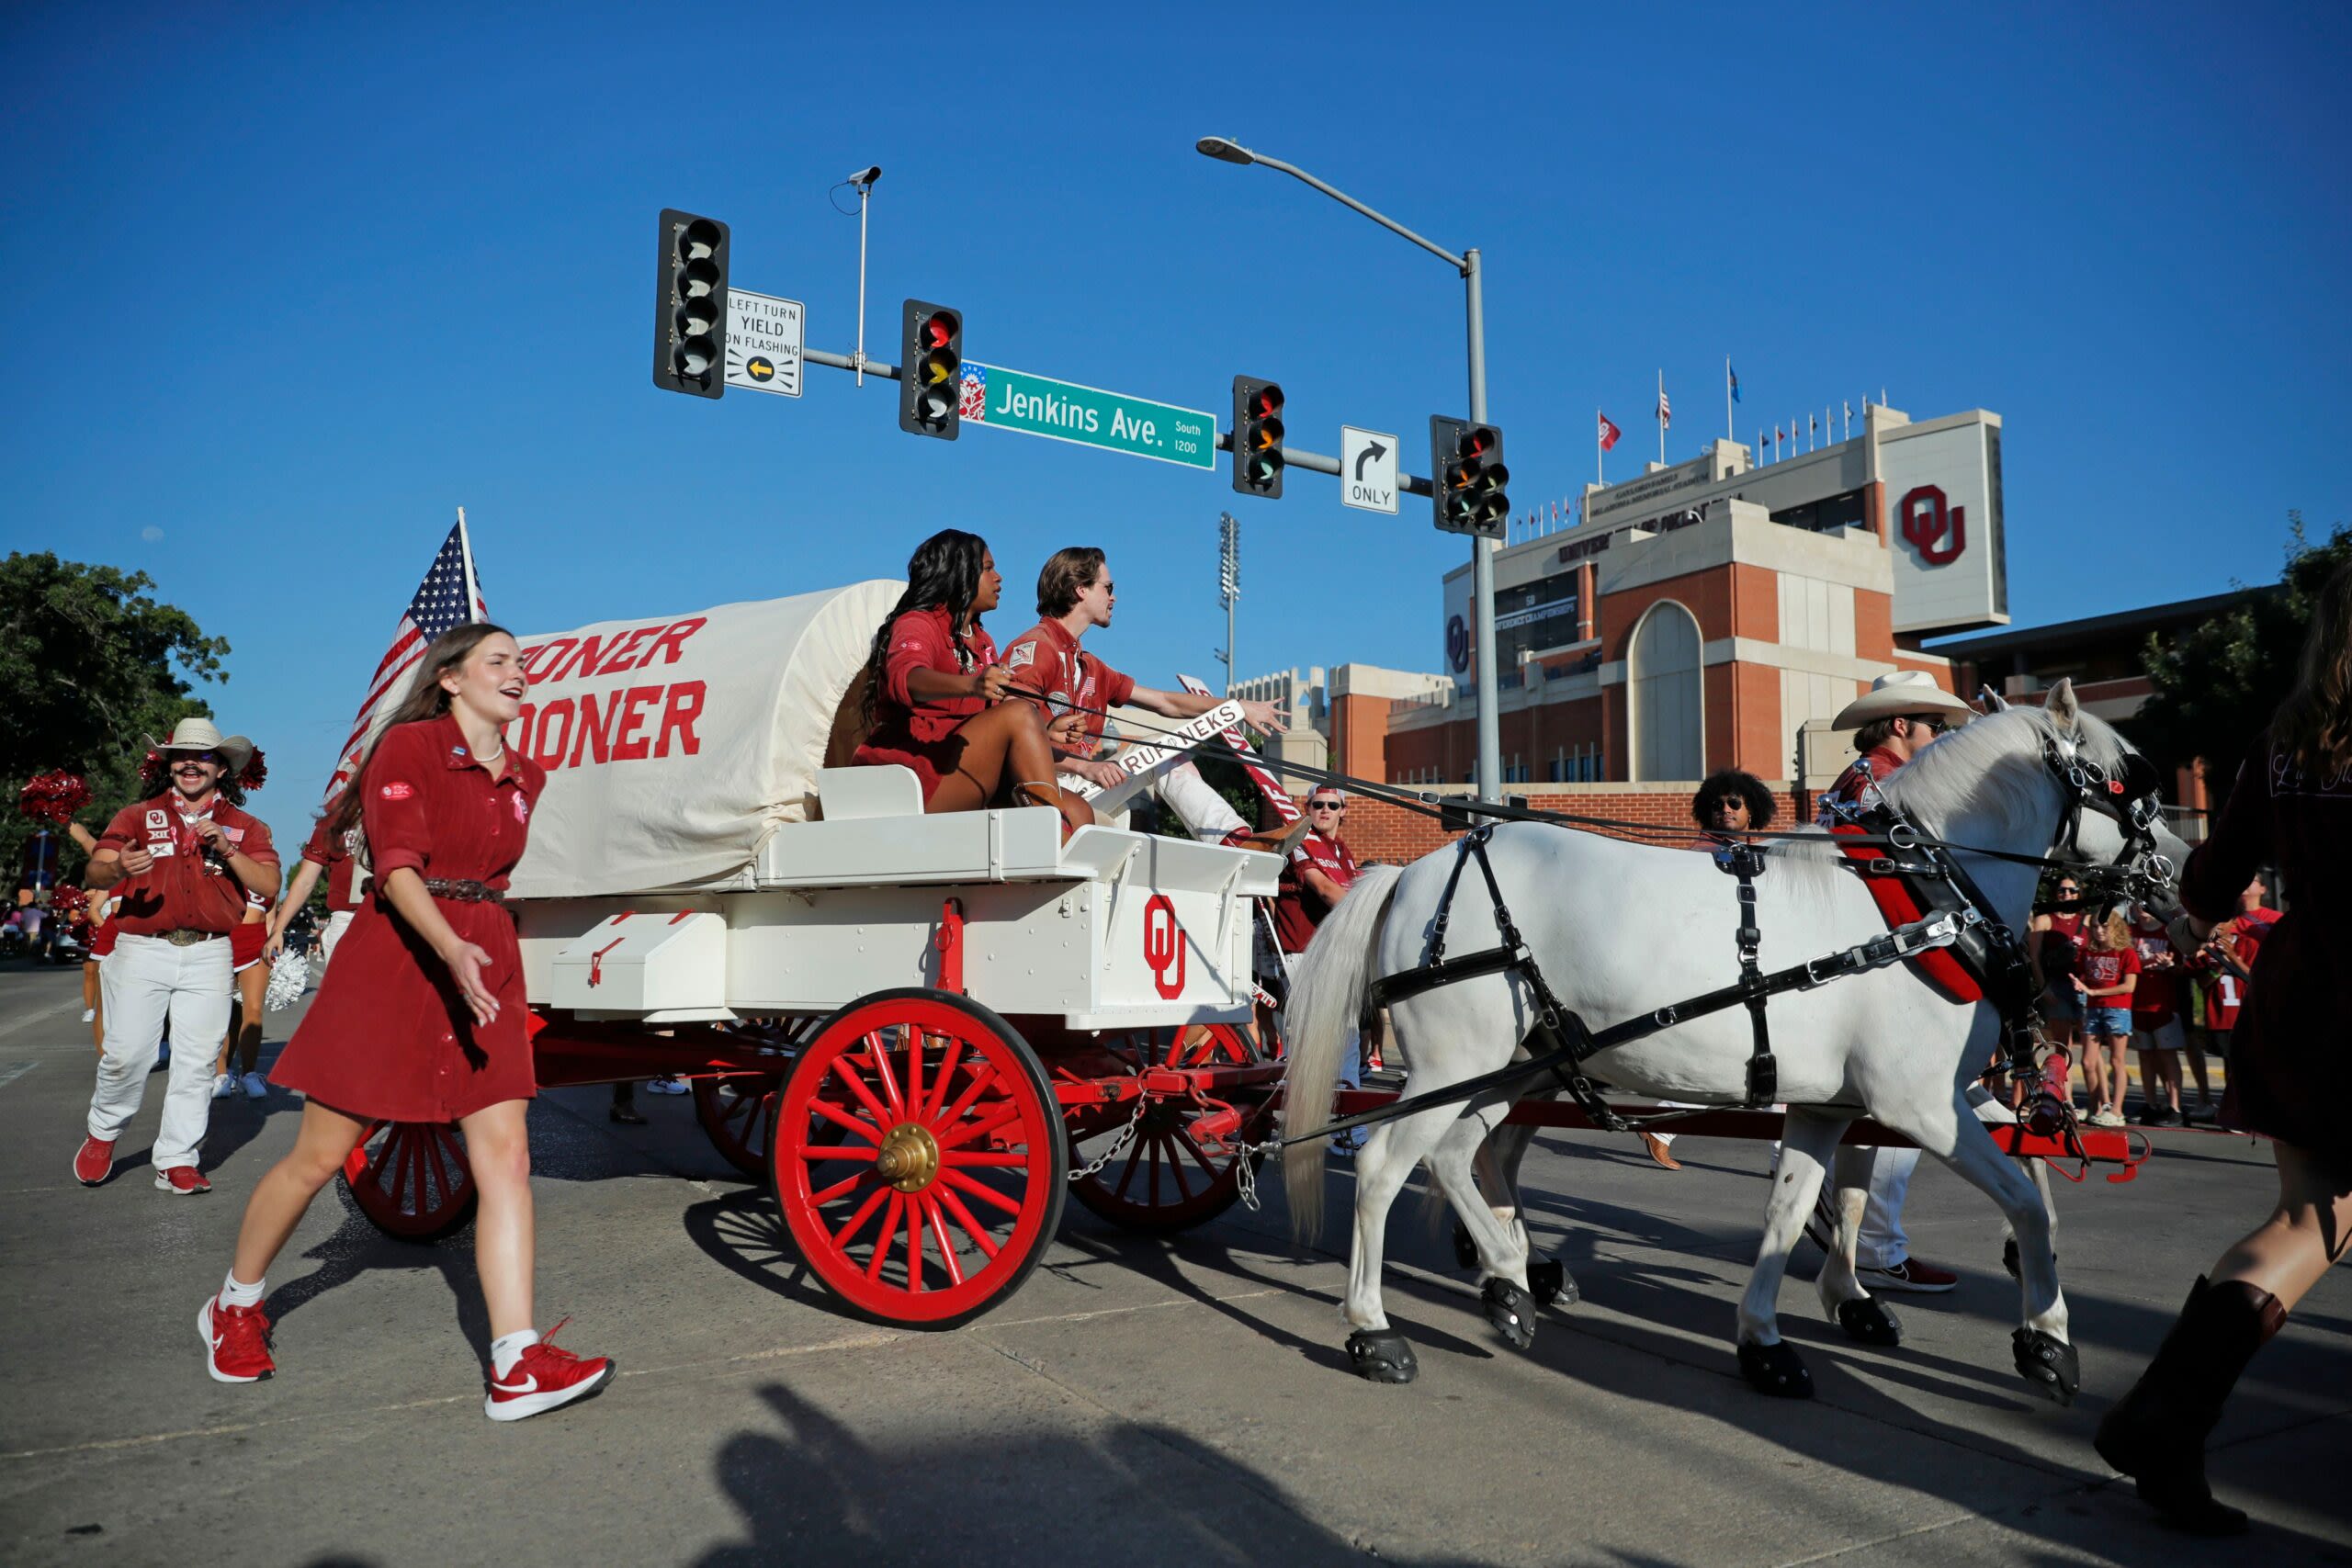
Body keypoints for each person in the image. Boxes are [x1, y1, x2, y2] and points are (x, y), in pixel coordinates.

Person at [203, 623, 615, 1421]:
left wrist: (476, 949)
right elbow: (393, 869)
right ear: (452, 678)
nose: (519, 673)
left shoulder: (529, 772)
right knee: (320, 1155)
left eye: (523, 663)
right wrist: (450, 945)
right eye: (499, 661)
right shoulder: (409, 748)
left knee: (508, 1157)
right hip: (400, 957)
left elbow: (491, 874)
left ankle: (516, 1359)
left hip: (483, 950)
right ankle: (235, 1303)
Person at [2096, 561, 2352, 1536]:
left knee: (2304, 1221)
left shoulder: (2280, 747)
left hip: (2301, 1005)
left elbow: (2208, 887)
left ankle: (2165, 1416)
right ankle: (2160, 1418)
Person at [1802, 671, 1973, 1292]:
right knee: (1904, 1108)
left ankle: (1852, 1226)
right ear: (1901, 724)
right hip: (1867, 965)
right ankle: (1873, 1242)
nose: (1943, 737)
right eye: (1936, 725)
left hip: (1855, 957)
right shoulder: (1884, 779)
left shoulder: (1868, 776)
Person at [74, 718, 280, 1193]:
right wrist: (118, 867)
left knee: (199, 1060)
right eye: (181, 755)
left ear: (221, 768)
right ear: (168, 766)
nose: (192, 763)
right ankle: (103, 1132)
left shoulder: (247, 827)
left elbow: (268, 884)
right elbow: (96, 870)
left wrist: (228, 849)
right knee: (127, 1054)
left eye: (203, 756)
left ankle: (176, 1158)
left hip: (209, 953)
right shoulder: (134, 815)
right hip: (141, 949)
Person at [1000, 547, 1289, 841]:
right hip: (1038, 790)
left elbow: (1166, 702)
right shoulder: (1036, 648)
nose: (1113, 597)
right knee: (1150, 759)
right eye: (1108, 587)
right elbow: (1015, 738)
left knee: (1163, 753)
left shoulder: (1090, 666)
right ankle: (1236, 841)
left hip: (1079, 785)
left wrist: (1238, 707)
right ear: (1080, 589)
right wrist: (1085, 766)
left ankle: (1235, 839)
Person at [851, 530, 1092, 837]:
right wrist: (971, 685)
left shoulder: (982, 640)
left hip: (966, 768)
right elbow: (907, 679)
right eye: (988, 568)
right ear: (959, 574)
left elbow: (988, 723)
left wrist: (1045, 731)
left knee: (1079, 812)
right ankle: (1050, 838)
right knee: (1019, 713)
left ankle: (1044, 864)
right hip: (920, 774)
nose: (999, 578)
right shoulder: (917, 622)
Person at [2072, 908, 2139, 1128]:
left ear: (2115, 927)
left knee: (2117, 1060)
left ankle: (2117, 1111)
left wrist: (2094, 993)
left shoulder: (2126, 952)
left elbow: (2129, 986)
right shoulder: (2089, 952)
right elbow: (2080, 973)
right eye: (2095, 927)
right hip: (2093, 1010)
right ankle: (2094, 1107)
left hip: (2117, 1010)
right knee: (2088, 1062)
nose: (2099, 931)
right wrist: (2078, 982)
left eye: (2104, 926)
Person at [2027, 874, 2086, 1110]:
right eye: (2062, 890)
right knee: (2062, 1046)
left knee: (2092, 1051)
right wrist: (2044, 987)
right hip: (2057, 986)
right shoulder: (2045, 920)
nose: (2067, 895)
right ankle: (2066, 1099)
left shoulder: (2087, 921)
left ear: (2078, 893)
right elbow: (2034, 957)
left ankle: (2102, 1103)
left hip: (2084, 988)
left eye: (2072, 891)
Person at [2127, 904, 2186, 1126]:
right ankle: (2151, 1103)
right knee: (2145, 1056)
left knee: (2168, 1056)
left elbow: (2181, 967)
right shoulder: (2129, 932)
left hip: (2163, 1004)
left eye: (2146, 904)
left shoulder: (2169, 932)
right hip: (2135, 1003)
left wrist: (2170, 965)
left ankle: (2175, 1107)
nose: (2141, 908)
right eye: (2137, 904)